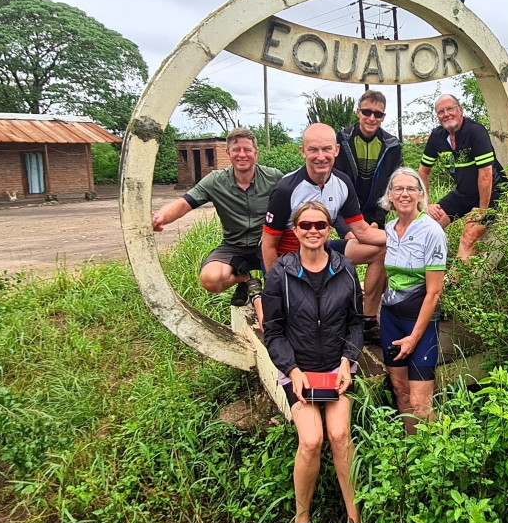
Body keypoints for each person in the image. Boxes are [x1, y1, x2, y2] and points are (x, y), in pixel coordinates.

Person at [261, 200, 364, 523]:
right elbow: (273, 332)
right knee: (311, 440)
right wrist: (292, 369)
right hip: (299, 373)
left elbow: (356, 323)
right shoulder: (281, 275)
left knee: (339, 434)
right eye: (305, 225)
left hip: (336, 371)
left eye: (320, 224)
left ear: (329, 228)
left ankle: (355, 521)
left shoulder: (346, 269)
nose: (313, 230)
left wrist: (345, 362)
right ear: (296, 228)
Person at [153, 127, 281, 319]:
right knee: (210, 280)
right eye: (236, 150)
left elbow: (298, 202)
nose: (242, 154)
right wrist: (161, 217)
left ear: (256, 153)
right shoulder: (215, 180)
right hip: (233, 246)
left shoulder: (274, 177)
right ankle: (245, 279)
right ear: (228, 153)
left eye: (247, 149)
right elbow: (185, 203)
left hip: (267, 244)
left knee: (284, 285)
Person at [263, 123, 387, 320]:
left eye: (327, 149)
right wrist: (275, 287)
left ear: (336, 150)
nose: (321, 156)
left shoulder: (343, 183)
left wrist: (404, 234)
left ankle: (368, 319)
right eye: (313, 149)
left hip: (323, 249)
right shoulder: (287, 188)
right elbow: (268, 245)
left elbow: (363, 232)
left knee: (381, 249)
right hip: (289, 257)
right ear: (302, 151)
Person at [377, 168, 447, 435]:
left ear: (420, 195)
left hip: (420, 323)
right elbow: (388, 274)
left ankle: (433, 463)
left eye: (411, 189)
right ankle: (411, 450)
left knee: (420, 402)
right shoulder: (390, 230)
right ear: (390, 197)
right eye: (398, 189)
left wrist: (414, 337)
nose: (404, 194)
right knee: (401, 391)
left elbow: (434, 292)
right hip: (392, 319)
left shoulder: (432, 232)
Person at [335, 90, 402, 340]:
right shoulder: (340, 140)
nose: (371, 118)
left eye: (377, 114)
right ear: (357, 112)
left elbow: (391, 187)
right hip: (345, 217)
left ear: (383, 116)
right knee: (353, 257)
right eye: (367, 112)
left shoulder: (392, 145)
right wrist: (344, 228)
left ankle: (368, 318)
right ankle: (343, 314)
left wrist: (377, 220)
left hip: (374, 215)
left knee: (384, 253)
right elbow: (334, 186)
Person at [419, 94, 508, 259]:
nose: (446, 114)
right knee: (427, 227)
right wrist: (427, 204)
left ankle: (458, 283)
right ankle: (424, 278)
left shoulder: (475, 131)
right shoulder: (437, 137)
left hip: (493, 193)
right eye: (441, 112)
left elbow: (486, 174)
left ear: (460, 110)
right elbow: (423, 171)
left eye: (450, 109)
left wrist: (483, 209)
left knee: (469, 235)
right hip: (464, 192)